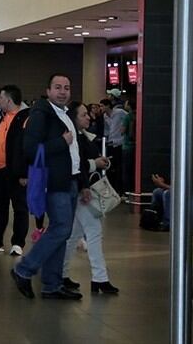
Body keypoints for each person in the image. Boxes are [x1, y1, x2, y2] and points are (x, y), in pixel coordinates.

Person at [12, 74, 92, 300]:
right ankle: (24, 269)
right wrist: (60, 142)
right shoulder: (41, 115)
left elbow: (77, 153)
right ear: (48, 91)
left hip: (71, 180)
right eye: (57, 87)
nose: (63, 92)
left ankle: (52, 284)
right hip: (55, 182)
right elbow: (29, 148)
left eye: (66, 87)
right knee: (61, 229)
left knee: (61, 232)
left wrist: (82, 181)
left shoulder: (64, 115)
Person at [61, 102, 117, 295]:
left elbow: (86, 163)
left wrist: (100, 163)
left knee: (74, 235)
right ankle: (99, 278)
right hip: (82, 190)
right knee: (93, 232)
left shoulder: (83, 137)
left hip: (82, 190)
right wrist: (95, 164)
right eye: (84, 114)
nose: (89, 117)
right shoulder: (75, 139)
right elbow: (78, 165)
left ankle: (62, 273)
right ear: (74, 118)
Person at [0, 85, 31, 256]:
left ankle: (18, 243)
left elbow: (26, 148)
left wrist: (24, 173)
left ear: (9, 100)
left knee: (19, 208)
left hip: (15, 172)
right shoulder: (1, 117)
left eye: (0, 97)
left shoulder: (24, 118)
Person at [101, 98, 127, 194]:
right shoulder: (105, 116)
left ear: (107, 106)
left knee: (119, 166)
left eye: (102, 106)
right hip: (110, 142)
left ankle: (120, 189)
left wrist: (124, 128)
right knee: (111, 166)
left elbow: (128, 118)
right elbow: (107, 130)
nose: (101, 108)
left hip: (119, 142)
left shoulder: (119, 112)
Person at [120, 97, 136, 196]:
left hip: (127, 146)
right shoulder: (139, 115)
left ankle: (126, 192)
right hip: (136, 146)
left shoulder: (128, 116)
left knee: (126, 171)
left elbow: (122, 131)